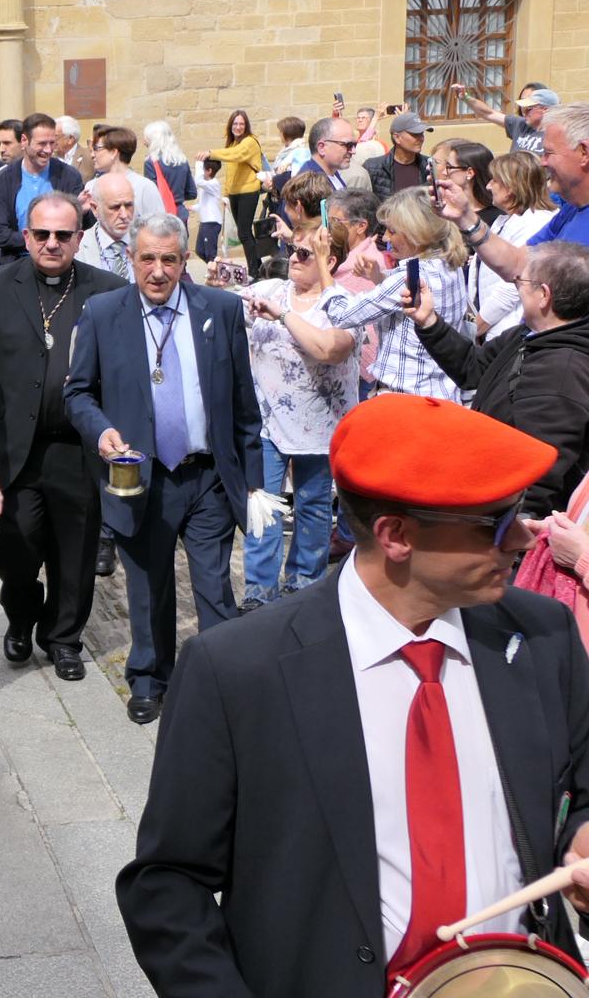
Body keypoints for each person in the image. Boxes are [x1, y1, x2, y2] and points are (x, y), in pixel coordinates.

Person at [116, 396, 589, 997]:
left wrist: (579, 837)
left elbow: (580, 794)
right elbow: (168, 884)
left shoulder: (544, 636)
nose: (524, 538)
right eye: (495, 523)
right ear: (396, 536)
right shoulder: (236, 670)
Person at [65, 213, 271, 724]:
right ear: (132, 258)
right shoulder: (103, 312)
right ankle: (148, 678)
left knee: (215, 588)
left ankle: (224, 686)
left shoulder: (220, 310)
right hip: (142, 476)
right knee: (147, 586)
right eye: (147, 259)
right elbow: (78, 392)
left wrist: (255, 485)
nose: (158, 271)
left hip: (207, 478)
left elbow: (244, 403)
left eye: (169, 260)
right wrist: (101, 430)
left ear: (184, 261)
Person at [0, 193, 128, 676]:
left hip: (78, 447)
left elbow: (121, 373)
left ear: (80, 238)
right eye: (42, 234)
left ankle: (63, 638)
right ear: (27, 236)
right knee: (15, 549)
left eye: (64, 235)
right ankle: (21, 617)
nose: (52, 243)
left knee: (76, 550)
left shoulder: (107, 289)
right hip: (15, 449)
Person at [409, 240, 589, 516]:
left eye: (521, 281)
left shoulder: (561, 372)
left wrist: (505, 539)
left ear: (544, 295)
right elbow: (473, 368)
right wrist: (429, 322)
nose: (516, 287)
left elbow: (538, 477)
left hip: (508, 523)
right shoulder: (527, 336)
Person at [236, 222, 360, 608]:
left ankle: (304, 584)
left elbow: (329, 350)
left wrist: (282, 315)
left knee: (313, 506)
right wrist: (224, 277)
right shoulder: (271, 290)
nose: (293, 257)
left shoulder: (341, 304)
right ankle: (259, 591)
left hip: (321, 427)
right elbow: (227, 304)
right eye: (291, 249)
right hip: (268, 424)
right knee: (264, 504)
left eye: (304, 253)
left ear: (329, 259)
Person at [321, 189, 470, 400]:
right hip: (439, 392)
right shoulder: (449, 265)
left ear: (417, 233)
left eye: (392, 230)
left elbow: (342, 315)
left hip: (406, 399)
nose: (385, 237)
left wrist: (321, 262)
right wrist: (379, 277)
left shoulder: (408, 276)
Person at [437, 103, 589, 279]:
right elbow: (518, 265)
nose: (542, 162)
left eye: (548, 153)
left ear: (584, 153)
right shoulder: (571, 211)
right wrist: (465, 217)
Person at [469, 151, 558, 337]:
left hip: (509, 332)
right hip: (493, 331)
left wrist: (476, 328)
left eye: (494, 180)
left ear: (510, 188)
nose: (488, 186)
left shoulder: (536, 222)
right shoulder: (504, 220)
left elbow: (512, 287)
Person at [0, 113, 85, 260]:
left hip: (59, 261)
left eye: (52, 143)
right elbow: (0, 235)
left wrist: (85, 212)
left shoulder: (68, 176)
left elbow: (79, 230)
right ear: (24, 141)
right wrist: (40, 240)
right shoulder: (6, 178)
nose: (48, 150)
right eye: (42, 144)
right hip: (17, 264)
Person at [199, 110, 267, 270]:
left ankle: (254, 272)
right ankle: (258, 267)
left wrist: (211, 153)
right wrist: (226, 195)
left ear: (246, 126)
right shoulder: (232, 144)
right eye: (235, 124)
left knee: (244, 233)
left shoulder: (250, 142)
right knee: (244, 234)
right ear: (230, 126)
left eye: (241, 124)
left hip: (248, 191)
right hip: (235, 194)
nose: (238, 127)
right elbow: (230, 172)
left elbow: (236, 155)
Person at [82, 125, 167, 219]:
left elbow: (159, 226)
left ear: (113, 152)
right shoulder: (91, 187)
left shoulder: (144, 187)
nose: (92, 155)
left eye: (96, 148)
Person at [456, 81, 558, 156]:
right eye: (522, 105)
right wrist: (465, 97)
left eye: (529, 108)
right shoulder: (519, 124)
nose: (524, 111)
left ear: (545, 109)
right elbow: (488, 113)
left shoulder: (559, 134)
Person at [74, 172, 137, 280]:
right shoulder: (78, 249)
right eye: (115, 207)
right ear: (95, 209)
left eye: (128, 205)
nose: (124, 215)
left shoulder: (147, 243)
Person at [364, 111, 436, 199]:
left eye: (422, 134)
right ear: (397, 137)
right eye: (415, 134)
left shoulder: (431, 166)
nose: (421, 138)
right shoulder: (373, 167)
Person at [140, 121, 197, 217]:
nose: (144, 142)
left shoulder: (151, 162)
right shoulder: (182, 160)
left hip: (161, 214)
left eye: (147, 138)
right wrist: (177, 198)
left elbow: (151, 194)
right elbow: (192, 193)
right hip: (180, 213)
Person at [188, 158, 224, 261]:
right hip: (205, 222)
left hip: (212, 222)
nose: (201, 172)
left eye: (203, 169)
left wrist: (199, 163)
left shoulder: (213, 183)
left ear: (209, 171)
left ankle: (218, 272)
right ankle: (216, 270)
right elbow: (203, 204)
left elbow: (198, 181)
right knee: (200, 251)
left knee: (210, 254)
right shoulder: (206, 186)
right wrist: (191, 208)